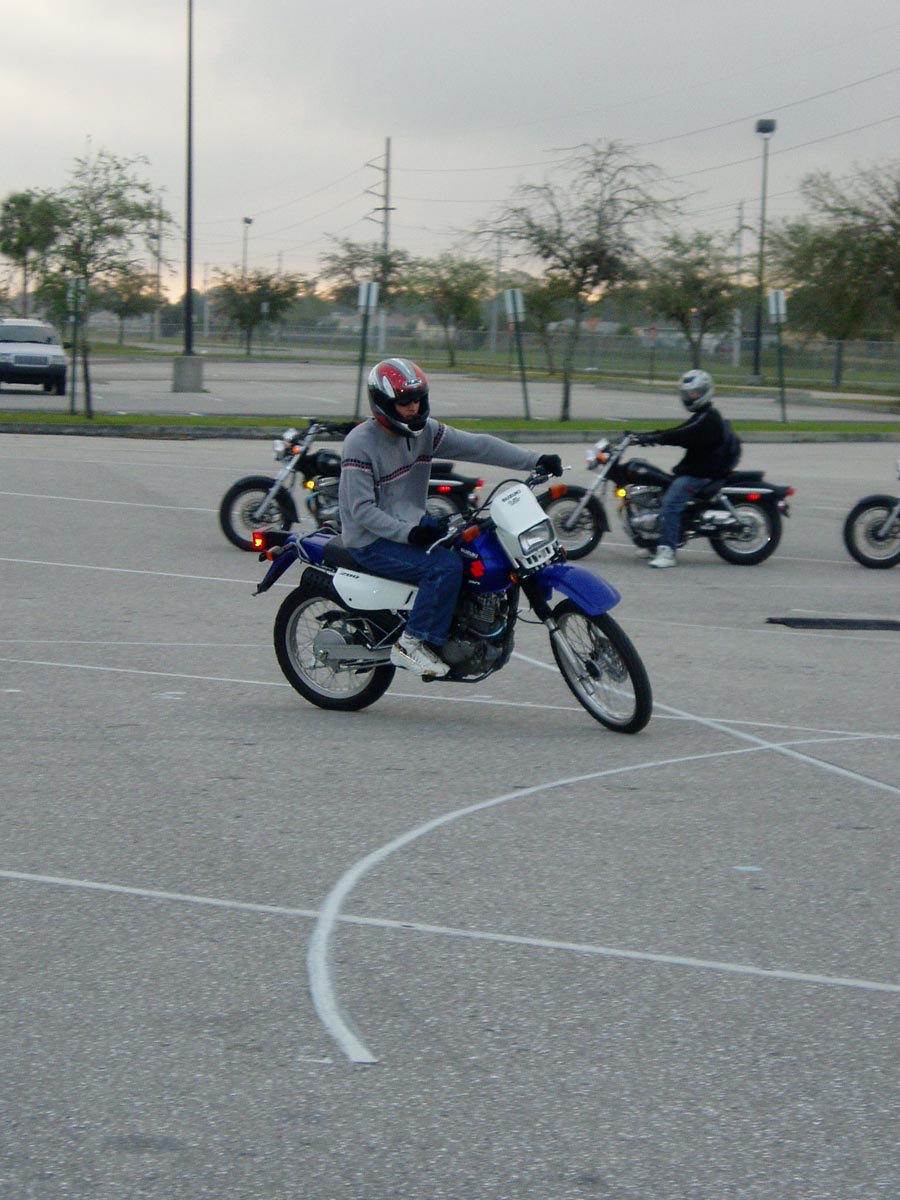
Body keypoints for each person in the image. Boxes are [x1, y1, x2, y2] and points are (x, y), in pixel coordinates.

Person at [339, 357, 563, 676]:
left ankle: (464, 631)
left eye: (418, 399)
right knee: (444, 567)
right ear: (383, 403)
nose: (414, 408)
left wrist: (535, 459)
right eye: (404, 402)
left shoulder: (426, 432)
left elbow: (478, 446)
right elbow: (361, 511)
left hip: (413, 526)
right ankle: (411, 643)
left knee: (476, 551)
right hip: (371, 540)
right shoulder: (360, 444)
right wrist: (409, 533)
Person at [637, 369, 739, 569]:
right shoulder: (702, 415)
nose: (689, 397)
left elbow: (683, 434)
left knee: (670, 503)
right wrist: (648, 436)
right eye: (686, 394)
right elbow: (681, 431)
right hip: (695, 469)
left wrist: (654, 437)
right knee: (660, 493)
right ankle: (654, 543)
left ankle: (667, 551)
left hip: (702, 474)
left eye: (694, 393)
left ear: (705, 392)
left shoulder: (708, 418)